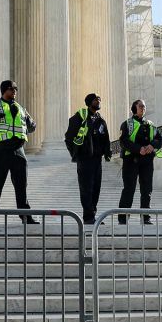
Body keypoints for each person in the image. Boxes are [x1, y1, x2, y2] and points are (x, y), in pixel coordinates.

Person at [0, 80, 38, 224]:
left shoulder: (21, 108)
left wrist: (31, 124)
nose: (14, 91)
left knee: (22, 185)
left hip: (18, 150)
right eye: (11, 89)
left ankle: (26, 216)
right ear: (4, 90)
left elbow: (31, 126)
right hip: (0, 151)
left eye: (16, 88)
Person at [65, 93, 112, 225]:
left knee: (96, 188)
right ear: (89, 102)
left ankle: (93, 214)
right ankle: (88, 216)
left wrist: (107, 152)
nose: (99, 101)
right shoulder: (79, 117)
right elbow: (68, 137)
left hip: (97, 159)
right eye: (96, 99)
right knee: (86, 188)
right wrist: (75, 153)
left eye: (100, 99)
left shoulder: (100, 120)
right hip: (85, 159)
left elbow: (105, 138)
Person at [118, 100, 161, 224]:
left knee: (147, 190)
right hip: (131, 161)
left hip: (147, 161)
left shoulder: (151, 124)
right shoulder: (127, 123)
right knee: (129, 189)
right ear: (134, 108)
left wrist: (152, 146)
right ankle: (123, 218)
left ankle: (146, 217)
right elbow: (123, 141)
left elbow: (159, 139)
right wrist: (139, 149)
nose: (143, 108)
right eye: (140, 106)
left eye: (144, 106)